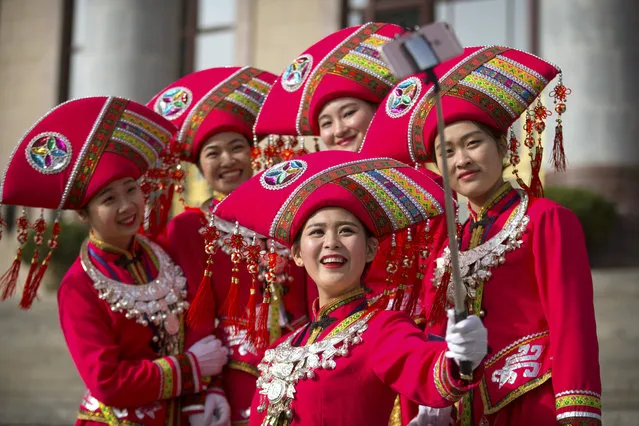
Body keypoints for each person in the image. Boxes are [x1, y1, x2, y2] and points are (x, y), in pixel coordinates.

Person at [373, 45, 601, 425]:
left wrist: (576, 413)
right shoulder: (449, 245)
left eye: (472, 143)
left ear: (501, 145)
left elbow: (572, 324)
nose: (461, 159)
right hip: (465, 409)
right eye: (445, 151)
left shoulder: (546, 219)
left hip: (533, 401)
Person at [206, 150, 488, 426]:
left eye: (346, 231)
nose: (332, 242)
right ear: (297, 254)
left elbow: (428, 374)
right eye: (317, 232)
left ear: (370, 249)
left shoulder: (382, 330)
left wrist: (461, 360)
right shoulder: (280, 349)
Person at [0, 97, 230, 425]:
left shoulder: (160, 252)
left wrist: (208, 389)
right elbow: (107, 382)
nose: (127, 205)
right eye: (109, 199)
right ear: (83, 214)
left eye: (131, 189)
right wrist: (189, 369)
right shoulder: (78, 286)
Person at [147, 67, 311, 426]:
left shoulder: (288, 217)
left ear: (252, 153)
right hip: (231, 376)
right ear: (198, 166)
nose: (227, 160)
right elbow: (194, 316)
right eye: (213, 153)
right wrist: (207, 390)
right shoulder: (188, 229)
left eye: (237, 147)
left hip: (300, 369)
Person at [252, 22, 405, 154]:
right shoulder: (322, 186)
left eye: (348, 113)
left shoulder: (420, 171)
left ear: (377, 110)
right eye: (326, 123)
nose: (339, 130)